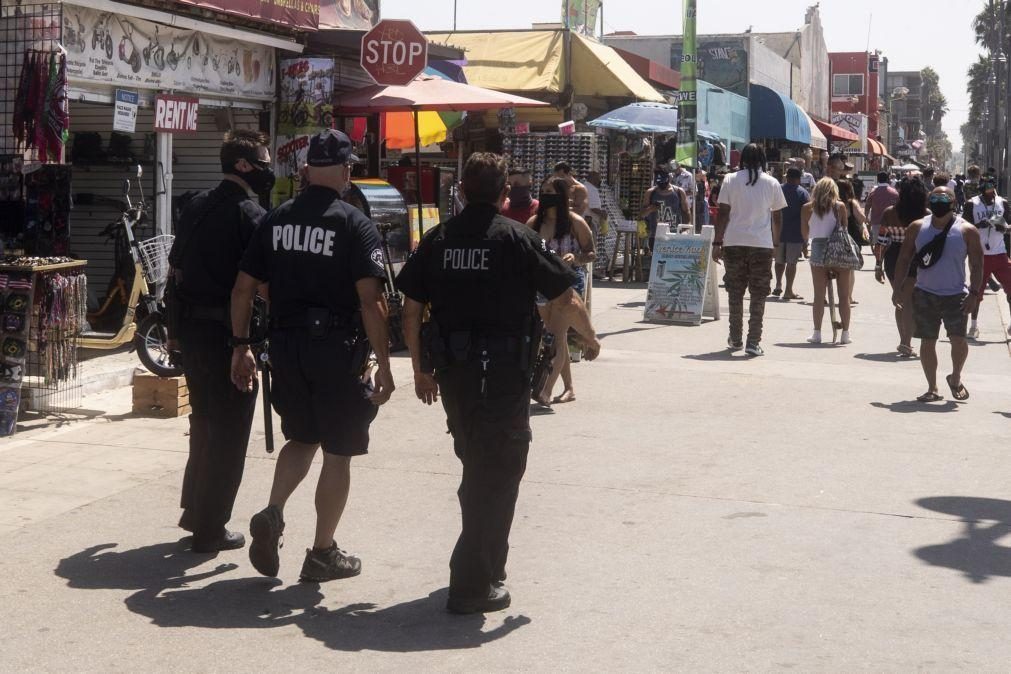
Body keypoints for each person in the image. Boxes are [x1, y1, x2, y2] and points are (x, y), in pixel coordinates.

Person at [396, 152, 600, 614]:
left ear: (463, 191)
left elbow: (410, 308)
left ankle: (490, 565)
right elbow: (565, 295)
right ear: (505, 192)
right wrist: (589, 337)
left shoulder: (438, 240)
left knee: (477, 465)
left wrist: (419, 370)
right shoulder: (517, 238)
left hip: (455, 375)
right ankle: (471, 581)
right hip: (504, 377)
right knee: (500, 470)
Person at [231, 129, 395, 582]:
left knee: (302, 438)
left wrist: (240, 346)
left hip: (285, 348)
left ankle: (273, 510)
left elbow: (244, 288)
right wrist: (384, 363)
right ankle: (322, 552)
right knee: (338, 452)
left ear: (304, 171)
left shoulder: (276, 218)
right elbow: (370, 301)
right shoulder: (352, 222)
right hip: (336, 351)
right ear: (345, 172)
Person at [167, 129, 272, 553]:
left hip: (192, 334)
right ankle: (209, 528)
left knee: (204, 422)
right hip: (229, 337)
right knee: (228, 432)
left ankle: (196, 510)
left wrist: (173, 332)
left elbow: (174, 274)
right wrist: (243, 343)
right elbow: (258, 287)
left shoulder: (194, 206)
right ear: (244, 166)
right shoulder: (251, 216)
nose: (268, 170)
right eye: (263, 162)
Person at [891, 186, 983, 402]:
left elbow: (977, 265)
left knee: (958, 340)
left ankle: (956, 377)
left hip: (956, 295)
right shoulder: (917, 227)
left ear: (953, 202)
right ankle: (932, 388)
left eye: (944, 197)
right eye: (934, 197)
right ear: (928, 201)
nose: (939, 201)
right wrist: (898, 288)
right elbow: (904, 258)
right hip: (924, 293)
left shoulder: (967, 230)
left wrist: (974, 293)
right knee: (927, 340)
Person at [713, 143, 788, 356]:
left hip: (734, 242)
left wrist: (717, 243)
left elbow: (723, 213)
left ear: (742, 158)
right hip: (762, 245)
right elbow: (777, 216)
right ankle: (753, 341)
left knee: (735, 292)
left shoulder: (730, 180)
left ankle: (735, 338)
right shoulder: (772, 183)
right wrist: (775, 244)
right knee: (759, 294)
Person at [527, 178, 596, 405]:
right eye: (543, 191)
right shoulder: (534, 223)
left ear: (563, 196)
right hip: (541, 286)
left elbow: (591, 252)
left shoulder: (575, 222)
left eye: (551, 192)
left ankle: (545, 390)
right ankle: (569, 388)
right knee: (557, 337)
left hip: (568, 284)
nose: (546, 195)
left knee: (555, 335)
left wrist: (575, 258)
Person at [877, 177, 930, 357]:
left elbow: (882, 241)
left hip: (893, 258)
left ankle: (904, 340)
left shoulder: (889, 212)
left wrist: (878, 265)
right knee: (909, 302)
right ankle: (906, 343)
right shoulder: (927, 214)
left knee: (901, 300)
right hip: (918, 258)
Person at [803, 178, 853, 344]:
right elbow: (845, 229)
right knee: (844, 296)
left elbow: (805, 233)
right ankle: (845, 333)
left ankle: (817, 333)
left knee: (818, 295)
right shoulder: (840, 207)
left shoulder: (807, 208)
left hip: (818, 249)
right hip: (838, 249)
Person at [965, 178, 1011, 339]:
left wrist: (1004, 228)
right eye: (988, 191)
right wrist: (978, 226)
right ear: (982, 190)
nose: (991, 195)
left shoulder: (1002, 203)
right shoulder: (972, 203)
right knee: (976, 292)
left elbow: (1009, 227)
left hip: (1000, 253)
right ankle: (974, 326)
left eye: (993, 190)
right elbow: (963, 227)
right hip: (980, 255)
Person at [773, 167, 809, 300]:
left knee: (779, 261)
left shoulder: (778, 189)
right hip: (795, 233)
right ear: (799, 179)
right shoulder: (803, 193)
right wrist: (806, 239)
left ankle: (778, 284)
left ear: (786, 177)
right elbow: (807, 215)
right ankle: (788, 290)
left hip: (778, 233)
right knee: (791, 263)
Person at [836, 179, 869, 305]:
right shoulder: (851, 203)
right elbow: (862, 219)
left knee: (836, 268)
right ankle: (848, 296)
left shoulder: (833, 203)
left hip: (834, 238)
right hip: (851, 239)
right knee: (849, 270)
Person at [640, 170, 690, 249]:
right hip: (656, 235)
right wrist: (650, 209)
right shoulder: (650, 193)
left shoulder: (679, 192)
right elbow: (642, 215)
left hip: (674, 234)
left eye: (664, 183)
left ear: (669, 179)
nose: (662, 185)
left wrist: (686, 229)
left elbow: (686, 212)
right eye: (659, 183)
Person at [865, 171, 899, 271]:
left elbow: (867, 205)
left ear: (877, 179)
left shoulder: (873, 192)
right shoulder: (894, 192)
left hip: (876, 222)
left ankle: (878, 262)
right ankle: (888, 263)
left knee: (878, 244)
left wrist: (866, 217)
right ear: (888, 178)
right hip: (891, 223)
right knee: (890, 243)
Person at [670, 161, 696, 225]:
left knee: (686, 223)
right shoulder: (671, 175)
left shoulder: (688, 175)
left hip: (685, 205)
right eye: (673, 170)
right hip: (673, 204)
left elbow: (694, 191)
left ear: (680, 166)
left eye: (676, 169)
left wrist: (681, 194)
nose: (675, 171)